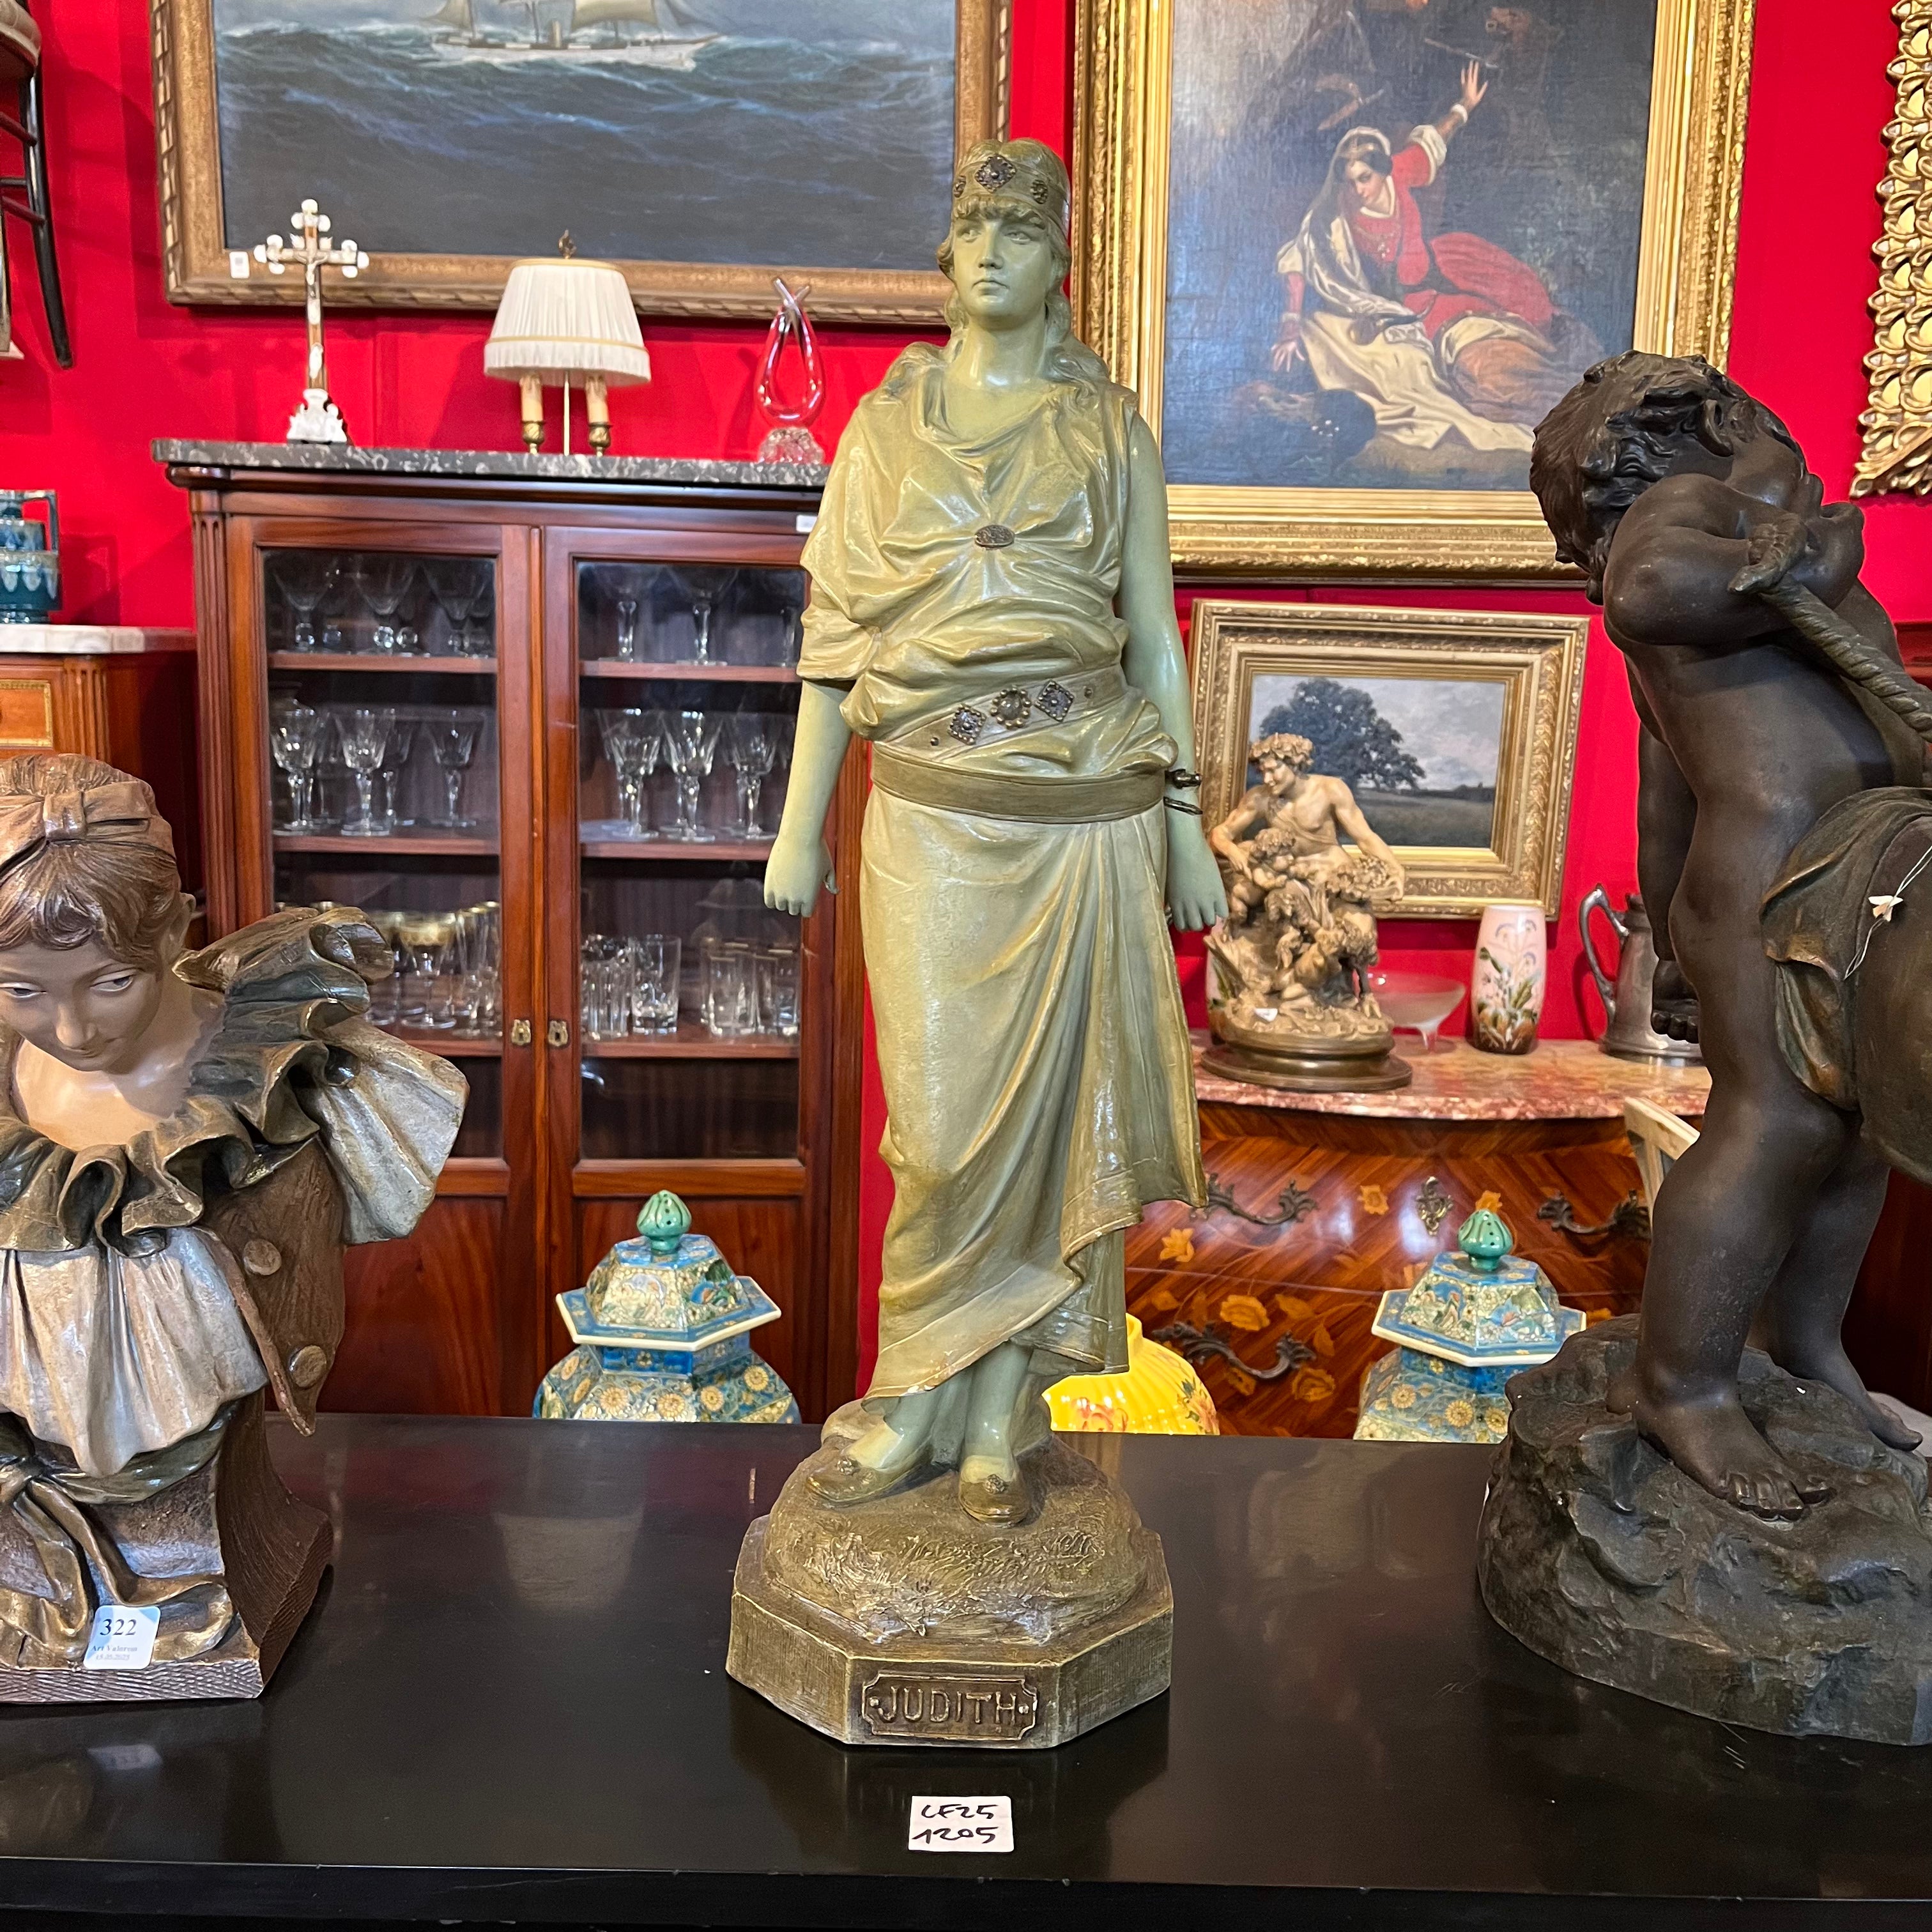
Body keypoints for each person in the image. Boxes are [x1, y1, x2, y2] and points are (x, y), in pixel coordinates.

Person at [762, 137, 1225, 1528]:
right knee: (941, 1136)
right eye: (975, 230)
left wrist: (1186, 827)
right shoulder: (883, 429)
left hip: (1087, 816)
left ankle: (993, 1420)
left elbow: (1152, 636)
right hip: (929, 811)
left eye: (1022, 231)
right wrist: (800, 828)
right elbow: (833, 644)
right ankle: (911, 1392)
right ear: (947, 257)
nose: (994, 251)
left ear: (1057, 263)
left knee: (1055, 1139)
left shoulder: (1111, 431)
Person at [1531, 352, 1929, 1518]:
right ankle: (1682, 1383)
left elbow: (1664, 796)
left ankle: (1800, 1346)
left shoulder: (1744, 583)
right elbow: (1649, 584)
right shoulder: (1695, 507)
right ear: (1713, 421)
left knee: (1851, 1135)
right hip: (1772, 876)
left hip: (1837, 870)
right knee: (1776, 1126)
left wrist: (1664, 934)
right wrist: (1805, 540)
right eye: (1765, 432)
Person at [0, 753, 464, 1665]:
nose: (72, 1030)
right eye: (22, 991)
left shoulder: (286, 1071)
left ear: (177, 928)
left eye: (111, 982)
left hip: (213, 1483)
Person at [1272, 61, 1596, 456]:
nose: (1358, 189)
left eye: (1365, 178)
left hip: (1449, 275)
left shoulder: (1400, 173)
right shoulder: (1337, 209)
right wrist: (1290, 325)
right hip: (1405, 310)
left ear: (1382, 170)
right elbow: (1300, 256)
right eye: (1351, 181)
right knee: (1471, 381)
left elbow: (1434, 141)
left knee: (1494, 361)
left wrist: (1465, 105)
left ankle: (1581, 411)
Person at [1209, 730, 1407, 908]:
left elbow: (1365, 837)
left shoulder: (1331, 790)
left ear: (1294, 764)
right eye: (1263, 772)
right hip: (1285, 872)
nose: (1267, 780)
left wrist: (1395, 869)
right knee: (1245, 856)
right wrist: (1232, 851)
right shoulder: (1261, 798)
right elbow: (1221, 833)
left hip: (1328, 868)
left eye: (1273, 770)